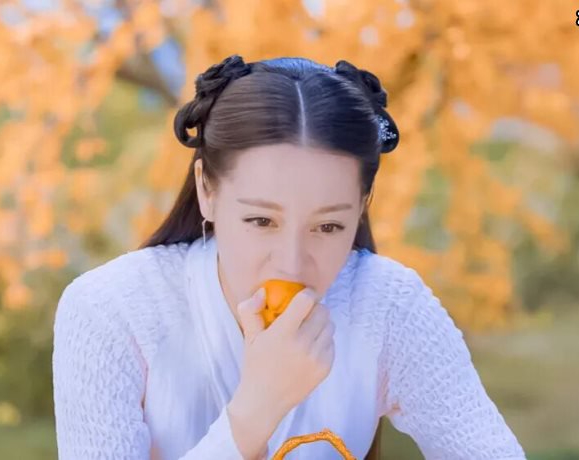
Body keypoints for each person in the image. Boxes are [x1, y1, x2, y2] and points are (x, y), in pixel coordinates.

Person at [52, 54, 527, 460]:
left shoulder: (389, 306)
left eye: (328, 227)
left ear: (362, 206)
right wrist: (257, 408)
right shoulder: (112, 310)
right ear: (206, 190)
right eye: (261, 221)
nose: (292, 264)